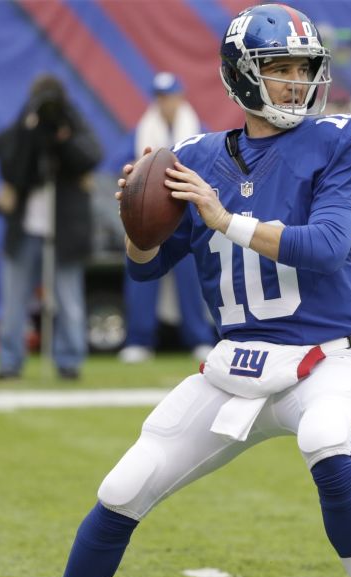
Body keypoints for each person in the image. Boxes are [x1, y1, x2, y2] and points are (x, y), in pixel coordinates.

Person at [0, 3, 351, 577]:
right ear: (243, 77)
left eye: (304, 69)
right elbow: (145, 267)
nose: (296, 83)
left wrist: (227, 219)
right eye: (279, 69)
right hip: (234, 365)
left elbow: (328, 246)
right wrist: (140, 217)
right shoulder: (191, 159)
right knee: (122, 487)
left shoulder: (344, 139)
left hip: (325, 359)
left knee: (326, 445)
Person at [0, 73, 102, 380]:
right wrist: (31, 135)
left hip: (64, 229)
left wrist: (63, 139)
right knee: (14, 300)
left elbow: (91, 156)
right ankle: (9, 361)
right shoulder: (25, 125)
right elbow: (9, 163)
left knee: (69, 299)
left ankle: (69, 361)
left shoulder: (72, 123)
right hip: (25, 228)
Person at [118, 72, 218, 364]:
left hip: (188, 215)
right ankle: (139, 339)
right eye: (160, 97)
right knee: (141, 272)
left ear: (180, 96)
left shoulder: (198, 130)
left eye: (170, 96)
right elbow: (123, 165)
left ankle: (199, 337)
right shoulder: (142, 131)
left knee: (193, 278)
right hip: (150, 217)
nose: (166, 103)